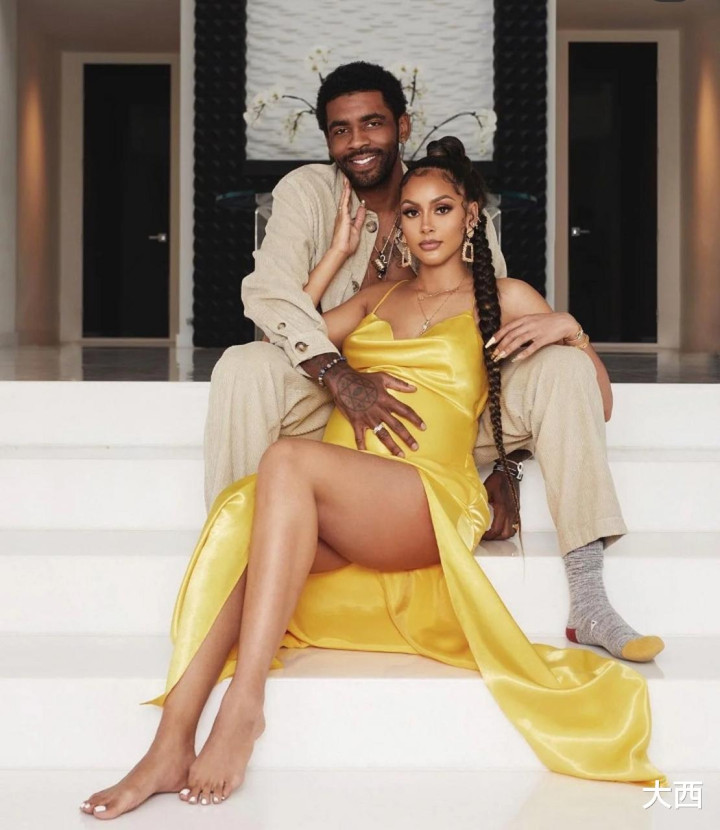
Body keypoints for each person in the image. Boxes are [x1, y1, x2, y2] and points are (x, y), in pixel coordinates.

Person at [79, 137, 665, 820]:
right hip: (343, 500)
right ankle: (168, 742)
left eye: (442, 209)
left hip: (424, 497)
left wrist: (570, 329)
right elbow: (280, 340)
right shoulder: (378, 295)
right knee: (248, 538)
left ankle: (244, 704)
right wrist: (335, 253)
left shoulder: (504, 296)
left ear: (471, 216)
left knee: (283, 462)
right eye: (411, 212)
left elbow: (596, 401)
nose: (426, 226)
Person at [206, 62, 662, 665]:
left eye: (372, 123)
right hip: (336, 395)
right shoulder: (310, 196)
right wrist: (339, 288)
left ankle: (589, 597)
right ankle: (227, 568)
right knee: (242, 366)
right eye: (340, 130)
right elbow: (275, 317)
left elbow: (491, 332)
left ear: (402, 126)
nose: (357, 141)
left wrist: (508, 462)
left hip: (449, 412)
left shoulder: (450, 199)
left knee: (563, 366)